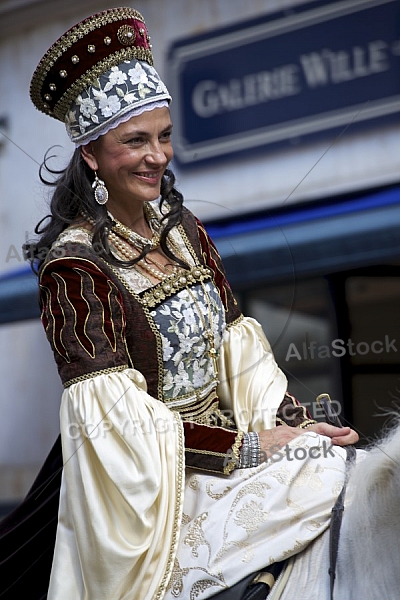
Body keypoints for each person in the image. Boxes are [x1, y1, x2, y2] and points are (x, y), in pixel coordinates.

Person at [1, 7, 359, 600]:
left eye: (164, 136)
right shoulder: (74, 269)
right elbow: (114, 427)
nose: (157, 156)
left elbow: (240, 350)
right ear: (91, 154)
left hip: (234, 448)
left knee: (329, 475)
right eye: (134, 140)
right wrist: (248, 447)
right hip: (147, 487)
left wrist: (293, 424)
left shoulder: (183, 228)